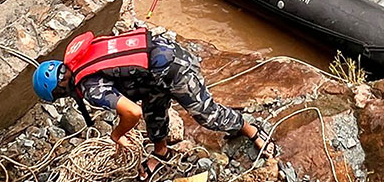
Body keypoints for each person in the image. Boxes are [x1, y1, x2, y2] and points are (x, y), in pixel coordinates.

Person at [32, 29, 275, 178]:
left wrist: (117, 135)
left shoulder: (90, 87)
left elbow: (131, 112)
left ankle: (248, 128)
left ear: (60, 93)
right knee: (154, 109)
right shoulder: (79, 58)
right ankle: (161, 151)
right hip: (153, 67)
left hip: (173, 67)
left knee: (205, 115)